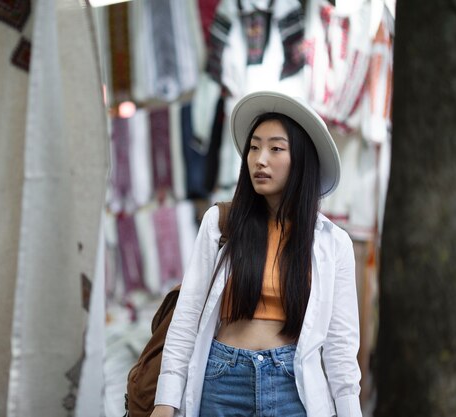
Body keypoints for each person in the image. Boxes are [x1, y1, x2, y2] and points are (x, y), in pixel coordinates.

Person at [150, 91, 362, 417]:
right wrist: (165, 403)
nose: (260, 159)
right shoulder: (220, 224)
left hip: (295, 387)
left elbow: (341, 348)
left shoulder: (333, 243)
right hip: (222, 381)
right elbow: (186, 319)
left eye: (276, 148)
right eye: (254, 147)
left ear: (301, 160)